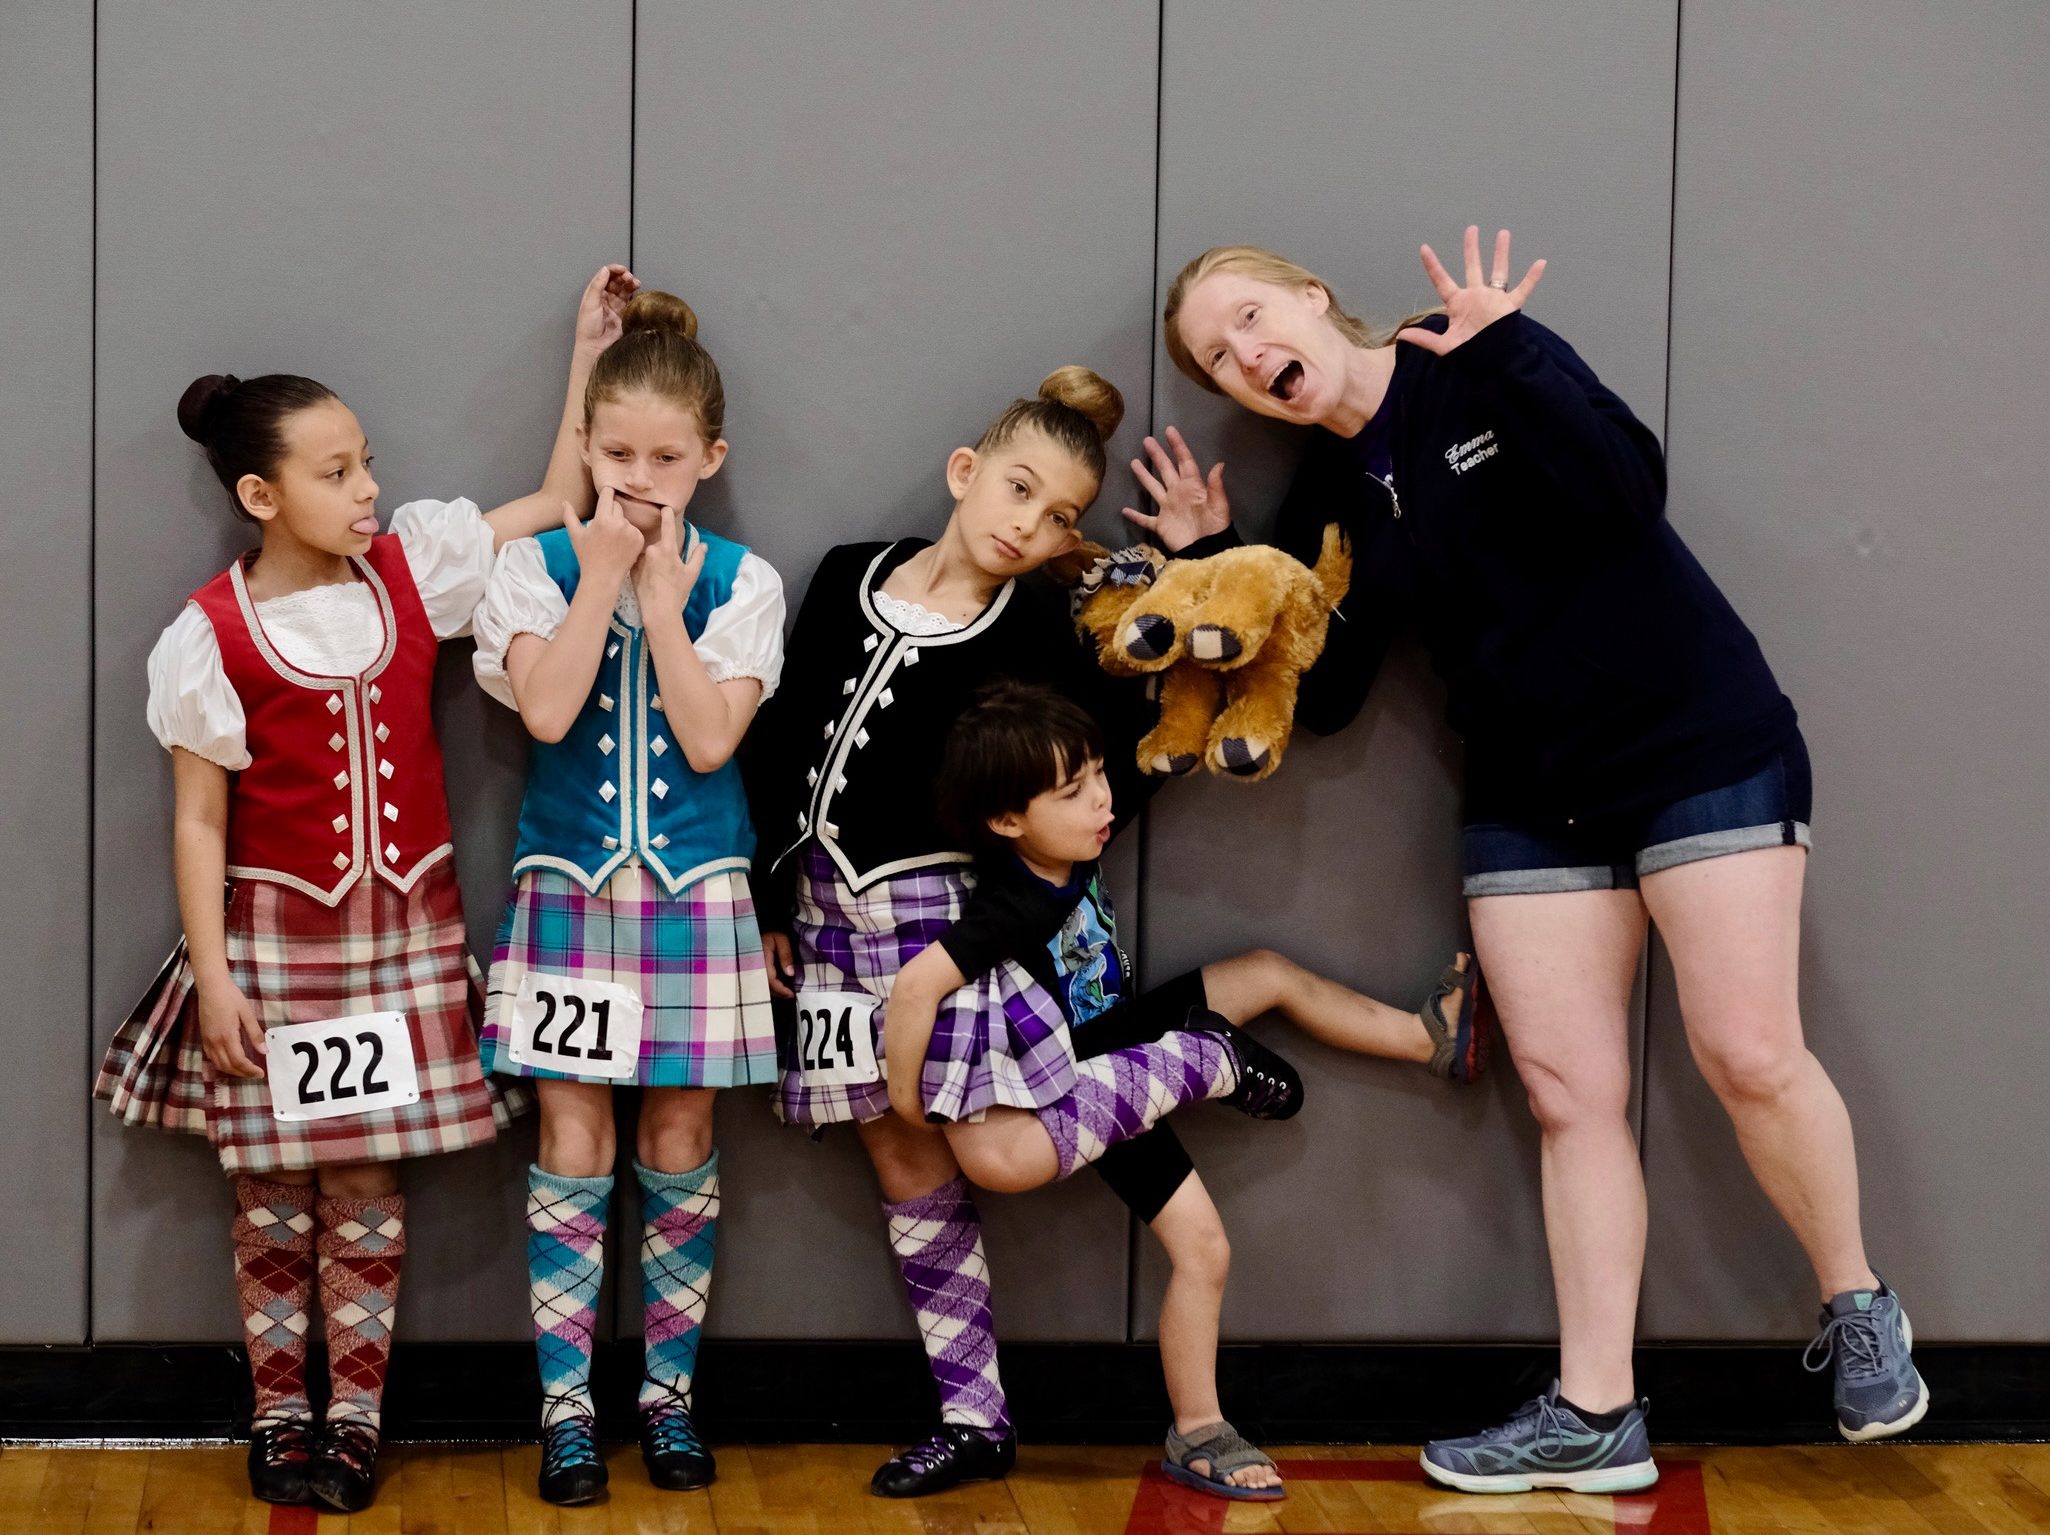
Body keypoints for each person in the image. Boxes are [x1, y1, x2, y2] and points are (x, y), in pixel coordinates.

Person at [1132, 229, 1926, 1494]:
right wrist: (1207, 566)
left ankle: (1859, 1303)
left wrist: (1514, 353)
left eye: (1248, 317)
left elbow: (1629, 488)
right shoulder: (1325, 501)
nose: (1244, 354)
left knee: (1747, 1053)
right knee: (1568, 1092)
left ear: (1309, 298)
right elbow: (1326, 697)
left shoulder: (1474, 362)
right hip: (1528, 792)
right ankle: (1596, 1410)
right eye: (1217, 359)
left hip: (1693, 742)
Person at [93, 262, 632, 1512]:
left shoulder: (410, 571)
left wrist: (587, 354)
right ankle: (278, 1411)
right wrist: (215, 975)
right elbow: (198, 816)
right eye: (335, 473)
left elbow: (556, 500)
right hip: (275, 942)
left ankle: (354, 1421)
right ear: (260, 494)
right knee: (272, 1188)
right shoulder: (209, 634)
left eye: (367, 463)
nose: (367, 489)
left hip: (399, 933)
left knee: (365, 1179)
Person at [881, 678, 1488, 1501]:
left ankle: (1426, 1038)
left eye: (1098, 774)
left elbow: (1132, 757)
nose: (1102, 799)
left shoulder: (1072, 839)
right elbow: (917, 985)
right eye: (1074, 791)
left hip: (1125, 1034)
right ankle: (1200, 1429)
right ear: (1007, 821)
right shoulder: (1011, 903)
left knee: (1267, 972)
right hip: (1084, 1091)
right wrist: (907, 1101)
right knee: (1206, 1247)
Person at [471, 287, 785, 1505]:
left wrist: (660, 593)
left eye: (665, 457)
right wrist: (602, 574)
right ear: (587, 448)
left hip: (698, 893)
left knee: (680, 1137)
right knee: (571, 1138)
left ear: (711, 456)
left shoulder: (743, 582)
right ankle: (565, 1411)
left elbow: (710, 740)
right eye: (615, 454)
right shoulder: (532, 569)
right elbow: (547, 712)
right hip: (568, 884)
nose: (639, 479)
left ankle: (668, 1400)